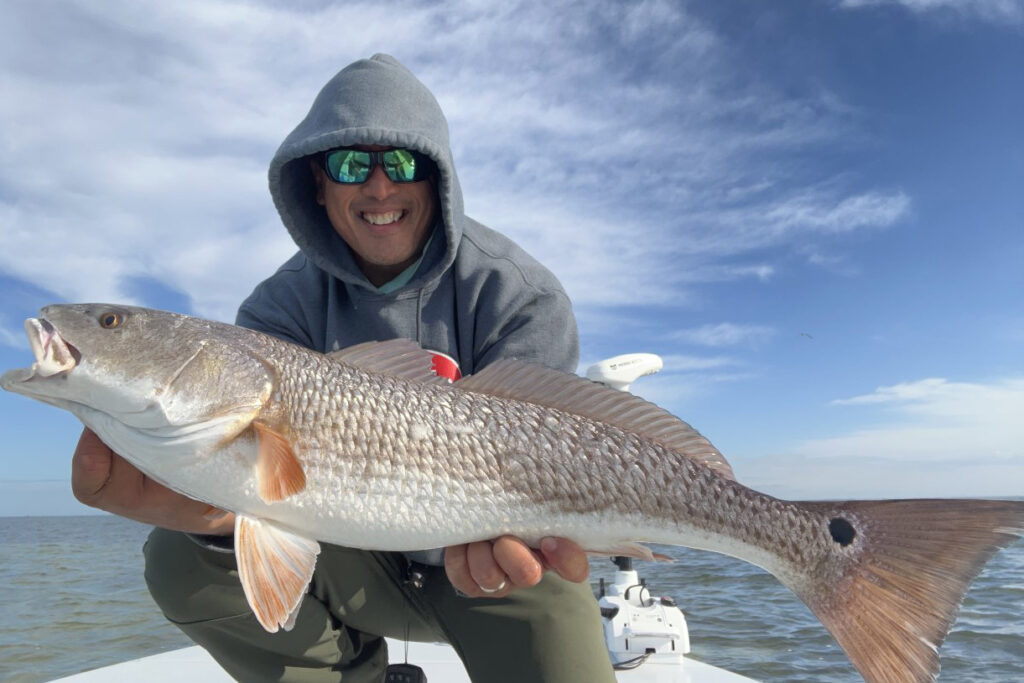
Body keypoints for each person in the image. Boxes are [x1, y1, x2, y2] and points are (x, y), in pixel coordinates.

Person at [70, 54, 617, 682]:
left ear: (438, 177)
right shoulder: (277, 308)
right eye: (351, 164)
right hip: (350, 552)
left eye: (403, 162)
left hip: (500, 566)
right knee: (181, 558)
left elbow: (555, 444)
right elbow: (258, 481)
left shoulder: (520, 292)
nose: (379, 188)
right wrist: (211, 514)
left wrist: (511, 534)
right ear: (318, 185)